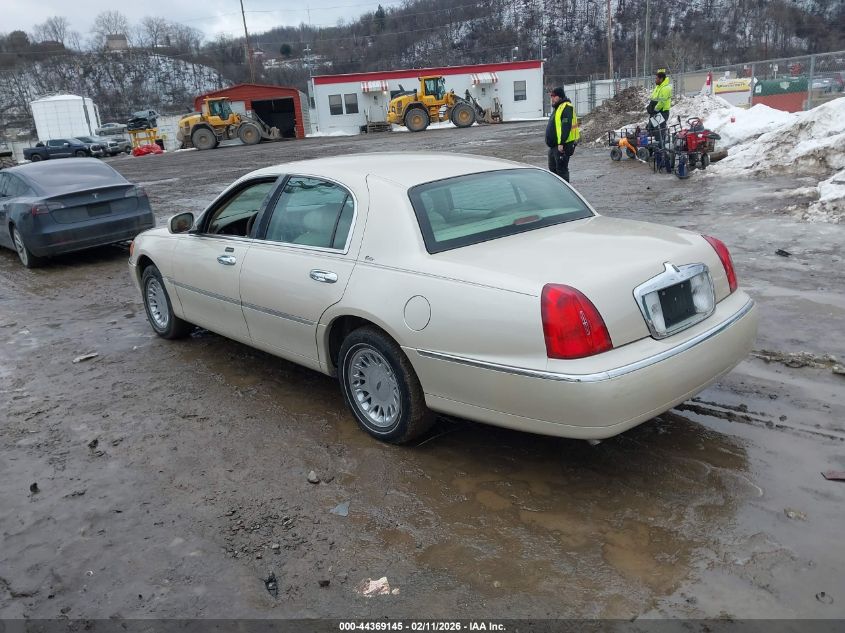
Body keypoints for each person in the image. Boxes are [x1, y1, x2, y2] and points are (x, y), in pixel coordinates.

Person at [545, 87, 580, 182]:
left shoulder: (567, 107)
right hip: (554, 146)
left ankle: (565, 188)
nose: (552, 98)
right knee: (553, 168)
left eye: (554, 96)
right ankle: (557, 187)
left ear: (559, 96)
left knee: (561, 169)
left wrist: (561, 143)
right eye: (551, 96)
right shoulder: (558, 107)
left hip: (563, 145)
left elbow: (566, 126)